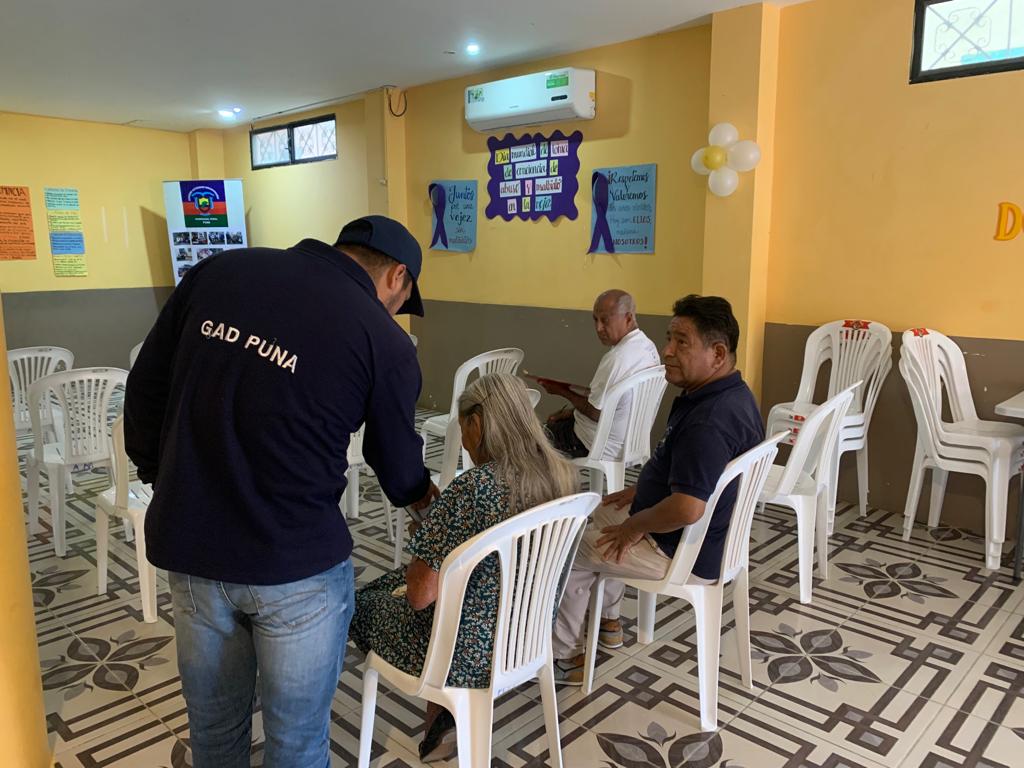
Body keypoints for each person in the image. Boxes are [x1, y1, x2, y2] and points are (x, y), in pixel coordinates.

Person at [124, 215, 439, 768]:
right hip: (297, 567)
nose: (393, 312)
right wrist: (430, 506)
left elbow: (146, 390)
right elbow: (395, 464)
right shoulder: (383, 338)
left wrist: (168, 479)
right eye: (400, 301)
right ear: (398, 277)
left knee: (214, 731)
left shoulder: (219, 271)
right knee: (295, 742)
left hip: (193, 550)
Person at [349, 373, 578, 763]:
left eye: (463, 427)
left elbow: (420, 596)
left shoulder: (473, 488)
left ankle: (438, 711)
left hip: (466, 653)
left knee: (358, 604)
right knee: (440, 594)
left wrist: (429, 538)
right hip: (525, 636)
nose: (465, 442)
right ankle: (440, 726)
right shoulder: (561, 475)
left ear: (477, 423)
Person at [551, 295, 765, 680]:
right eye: (669, 338)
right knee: (585, 515)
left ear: (717, 354)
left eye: (682, 342)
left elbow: (687, 508)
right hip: (703, 537)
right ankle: (608, 623)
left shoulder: (709, 421)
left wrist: (634, 526)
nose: (667, 351)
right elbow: (696, 475)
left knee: (567, 546)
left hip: (681, 549)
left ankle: (566, 654)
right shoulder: (731, 394)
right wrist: (640, 492)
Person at [543, 290, 659, 459]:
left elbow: (595, 412)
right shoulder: (648, 347)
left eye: (605, 320)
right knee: (558, 421)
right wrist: (570, 412)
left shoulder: (617, 358)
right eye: (595, 320)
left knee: (533, 439)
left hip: (593, 444)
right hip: (630, 445)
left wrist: (561, 391)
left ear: (628, 318)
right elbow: (610, 404)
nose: (598, 328)